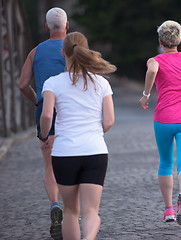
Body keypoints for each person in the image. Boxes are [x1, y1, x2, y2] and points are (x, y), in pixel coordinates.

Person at [39, 31, 116, 240]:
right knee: (91, 212)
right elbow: (109, 120)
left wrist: (45, 136)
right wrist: (93, 133)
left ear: (63, 53)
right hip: (95, 151)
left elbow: (47, 115)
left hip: (65, 153)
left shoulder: (52, 83)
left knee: (71, 211)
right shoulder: (101, 83)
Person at [139, 20, 181, 225]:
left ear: (160, 41)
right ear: (179, 39)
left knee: (165, 163)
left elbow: (152, 69)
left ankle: (169, 210)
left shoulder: (155, 60)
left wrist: (146, 94)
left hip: (164, 119)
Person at [18, 7, 69, 239]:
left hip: (45, 114)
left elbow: (22, 85)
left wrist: (38, 101)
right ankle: (73, 210)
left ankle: (54, 203)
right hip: (71, 113)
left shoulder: (35, 51)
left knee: (50, 166)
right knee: (72, 162)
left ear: (47, 27)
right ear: (67, 26)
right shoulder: (74, 49)